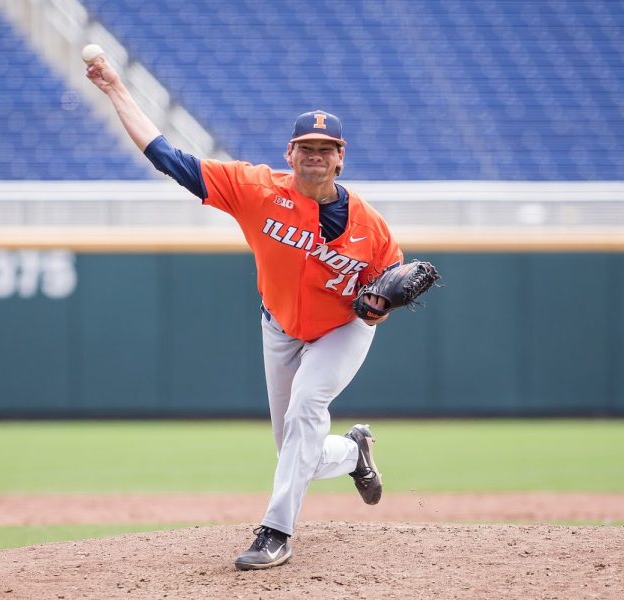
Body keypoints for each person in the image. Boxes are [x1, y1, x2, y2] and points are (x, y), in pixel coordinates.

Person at [86, 52, 403, 571]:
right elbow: (166, 156)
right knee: (294, 449)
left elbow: (386, 290)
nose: (315, 156)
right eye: (306, 148)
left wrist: (377, 309)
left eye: (325, 149)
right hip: (279, 328)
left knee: (306, 409)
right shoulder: (254, 189)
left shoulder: (370, 225)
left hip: (339, 331)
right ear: (289, 153)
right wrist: (116, 88)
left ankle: (276, 532)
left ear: (341, 158)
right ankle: (353, 452)